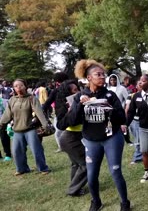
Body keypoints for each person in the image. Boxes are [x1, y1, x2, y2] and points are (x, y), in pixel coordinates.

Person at [66, 59, 131, 211]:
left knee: (115, 171)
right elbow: (72, 120)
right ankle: (96, 201)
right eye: (98, 75)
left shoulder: (110, 95)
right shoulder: (80, 96)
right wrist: (79, 105)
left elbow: (122, 118)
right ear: (89, 78)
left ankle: (124, 203)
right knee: (91, 174)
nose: (102, 77)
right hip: (91, 140)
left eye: (103, 75)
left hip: (111, 138)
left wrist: (107, 108)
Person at [0, 79, 51, 175]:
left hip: (30, 129)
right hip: (17, 130)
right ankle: (22, 169)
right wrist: (1, 123)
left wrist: (45, 125)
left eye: (21, 85)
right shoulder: (12, 100)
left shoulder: (32, 98)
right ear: (13, 88)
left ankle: (43, 168)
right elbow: (7, 114)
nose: (18, 88)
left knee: (36, 150)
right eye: (16, 86)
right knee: (16, 151)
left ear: (25, 86)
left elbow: (39, 113)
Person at [57, 80, 88, 197]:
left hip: (75, 137)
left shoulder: (79, 101)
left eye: (78, 89)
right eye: (75, 90)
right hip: (70, 138)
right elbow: (63, 124)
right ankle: (73, 190)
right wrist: (72, 111)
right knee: (86, 164)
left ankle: (76, 188)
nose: (78, 92)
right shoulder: (66, 105)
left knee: (76, 164)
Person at [42, 72, 70, 153]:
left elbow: (48, 102)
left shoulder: (56, 91)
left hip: (61, 114)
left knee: (58, 133)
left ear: (57, 81)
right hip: (71, 113)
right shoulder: (73, 88)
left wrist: (42, 110)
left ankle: (62, 147)